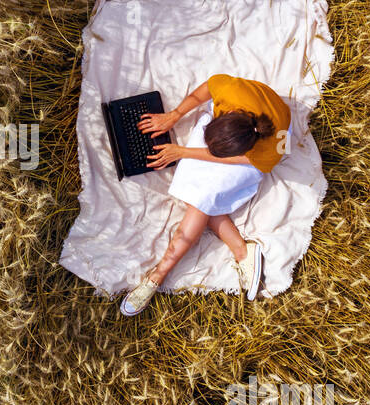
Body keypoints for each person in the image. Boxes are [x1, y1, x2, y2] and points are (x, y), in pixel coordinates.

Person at [119, 73, 290, 315]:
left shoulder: (271, 150)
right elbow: (207, 88)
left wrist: (183, 152)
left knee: (202, 199)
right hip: (248, 118)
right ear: (227, 114)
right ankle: (242, 250)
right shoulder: (230, 91)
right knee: (202, 197)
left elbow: (235, 158)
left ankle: (157, 276)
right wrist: (174, 115)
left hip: (268, 138)